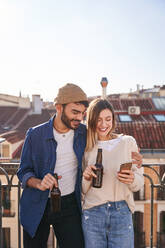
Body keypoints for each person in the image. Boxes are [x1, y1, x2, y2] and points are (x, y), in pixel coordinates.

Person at [17, 83, 142, 248]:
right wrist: (39, 182)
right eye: (74, 112)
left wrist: (133, 155)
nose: (79, 118)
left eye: (82, 113)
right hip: (37, 204)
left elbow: (106, 138)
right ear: (59, 108)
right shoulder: (35, 135)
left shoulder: (84, 133)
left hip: (69, 205)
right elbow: (23, 172)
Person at [82, 98, 144, 248]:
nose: (104, 125)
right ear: (91, 121)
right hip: (93, 213)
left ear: (113, 120)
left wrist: (132, 179)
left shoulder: (128, 142)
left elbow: (139, 184)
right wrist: (86, 177)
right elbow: (83, 190)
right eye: (99, 120)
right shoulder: (85, 147)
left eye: (108, 119)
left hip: (121, 213)